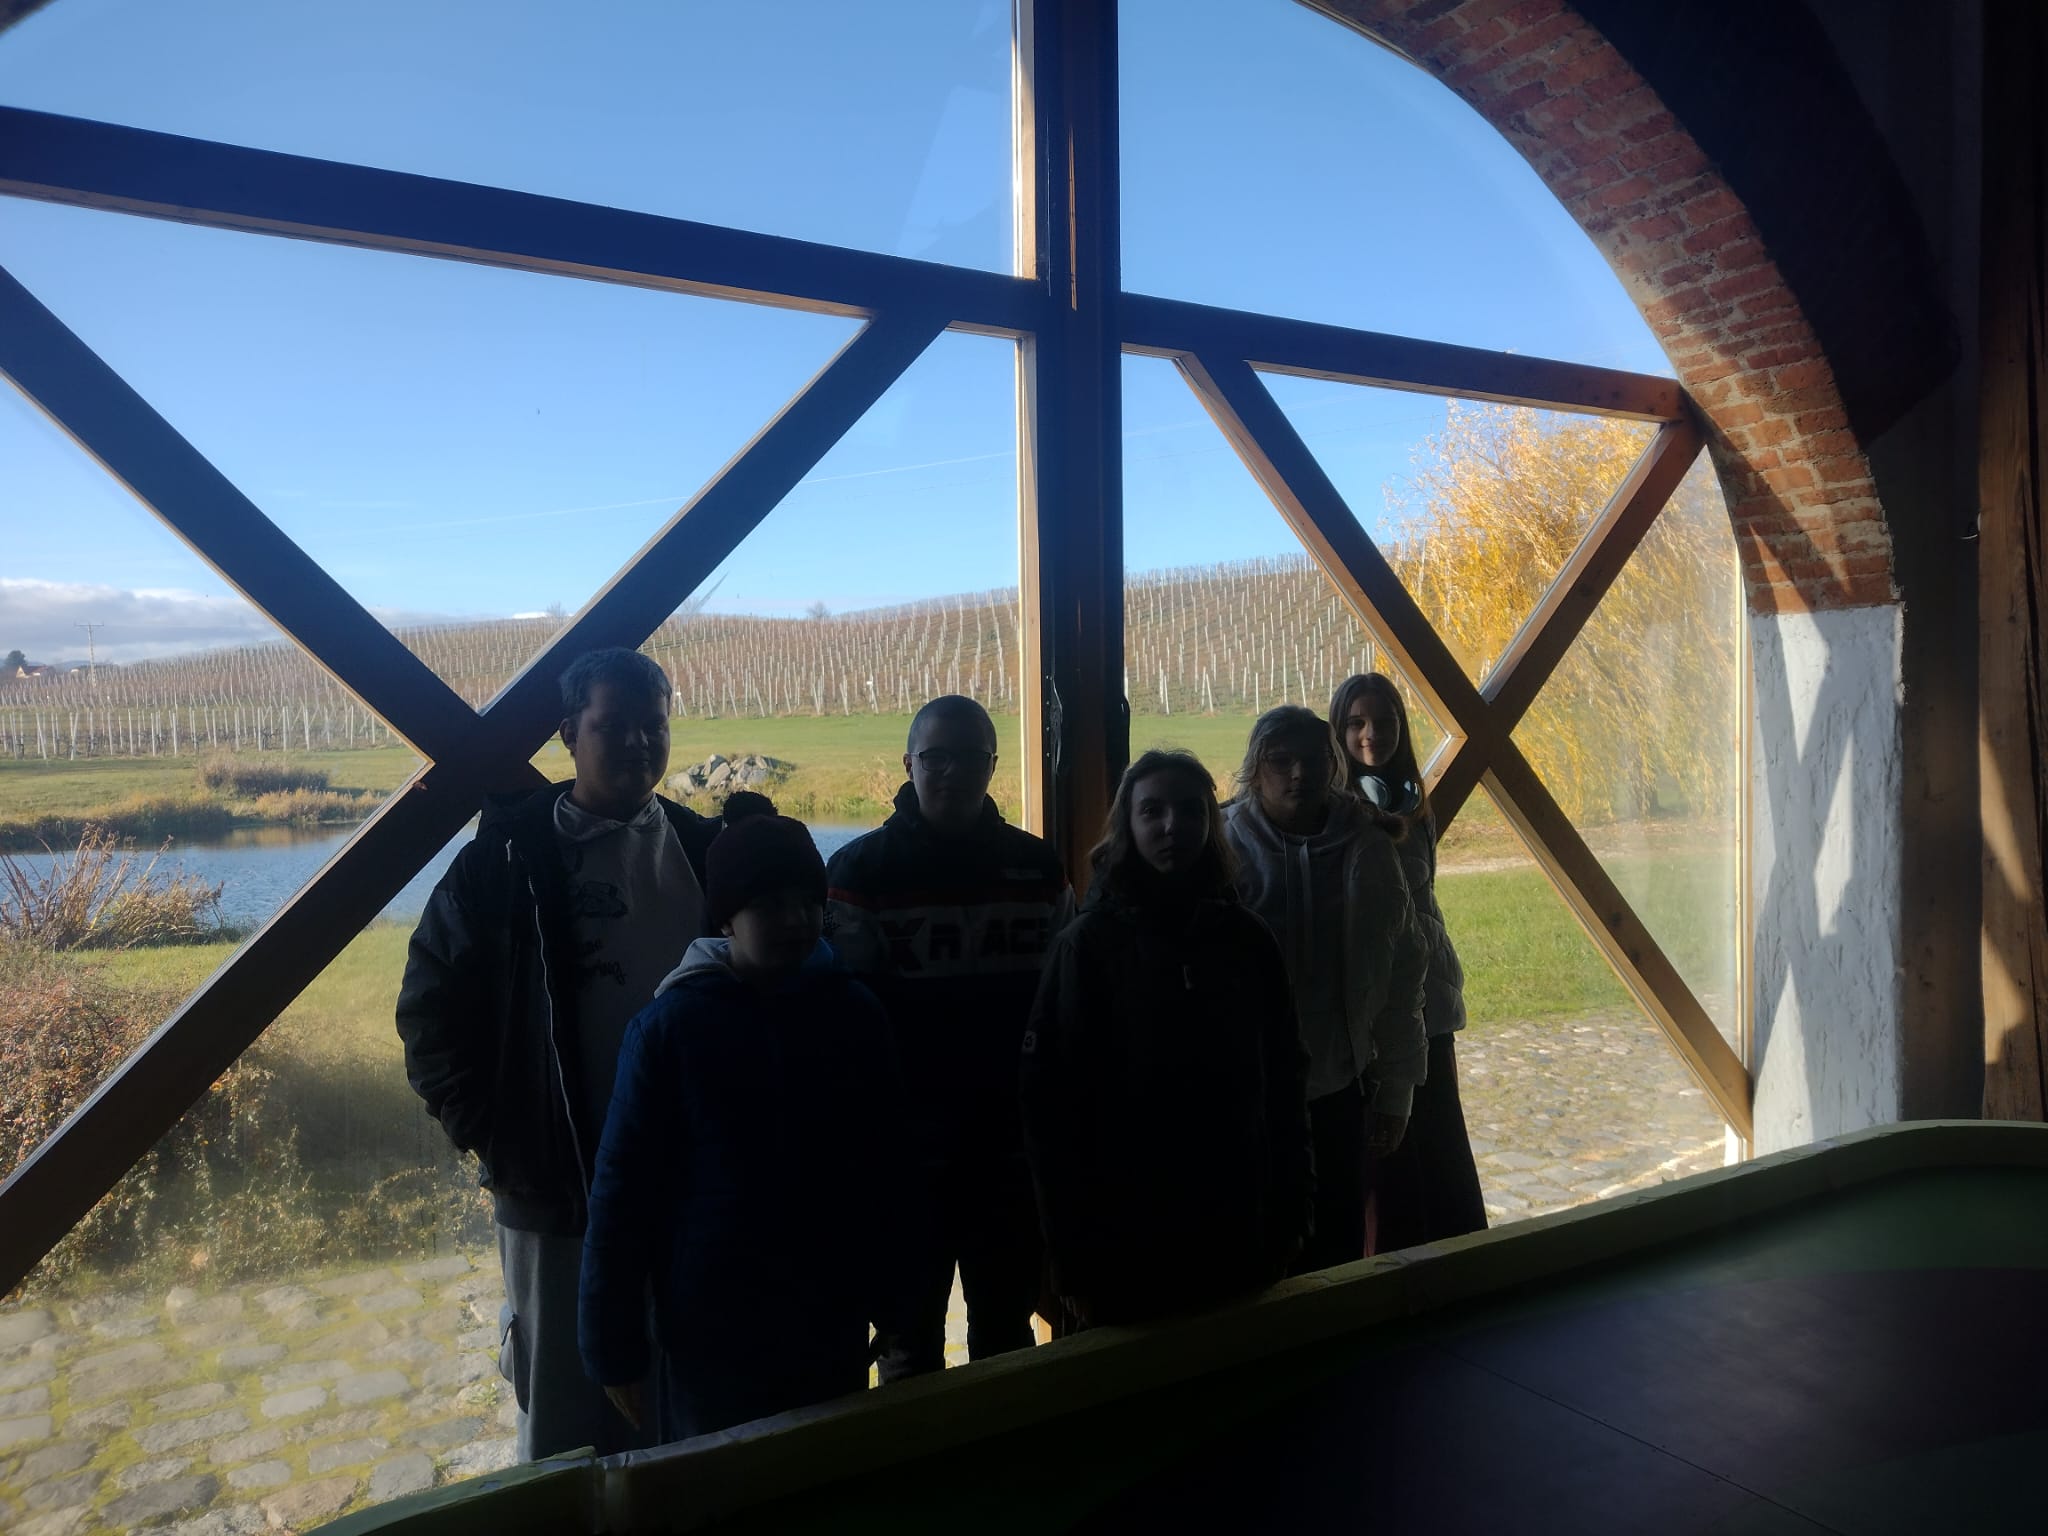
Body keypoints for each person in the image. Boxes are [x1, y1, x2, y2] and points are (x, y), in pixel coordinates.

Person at [396, 647, 719, 1460]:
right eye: (615, 726)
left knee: (685, 1396)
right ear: (570, 733)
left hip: (690, 1186)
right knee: (565, 1416)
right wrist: (500, 1138)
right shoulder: (502, 863)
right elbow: (429, 1012)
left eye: (654, 725)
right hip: (554, 1185)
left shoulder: (705, 849)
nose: (639, 743)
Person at [578, 795, 917, 1441]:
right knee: (718, 1478)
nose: (794, 920)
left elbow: (891, 1167)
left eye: (807, 903)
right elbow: (622, 1195)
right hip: (710, 1331)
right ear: (726, 917)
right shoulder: (669, 1028)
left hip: (829, 1312)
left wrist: (902, 1298)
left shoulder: (854, 1014)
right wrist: (612, 1347)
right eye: (769, 905)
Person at [1022, 751, 1313, 1327]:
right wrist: (1071, 1258)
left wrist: (1293, 1212)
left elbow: (1285, 1081)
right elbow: (1052, 1111)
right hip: (1126, 1240)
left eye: (1189, 810)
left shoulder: (1247, 941)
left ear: (1210, 823)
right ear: (1127, 825)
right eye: (1152, 811)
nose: (1171, 825)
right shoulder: (1087, 948)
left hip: (1238, 1225)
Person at [825, 695, 1070, 1379]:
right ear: (908, 764)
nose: (953, 773)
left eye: (970, 758)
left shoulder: (1040, 870)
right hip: (906, 1157)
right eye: (937, 758)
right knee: (906, 1339)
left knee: (1006, 1332)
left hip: (1008, 1153)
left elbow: (1061, 1008)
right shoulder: (858, 874)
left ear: (993, 766)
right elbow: (845, 1031)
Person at [1221, 705, 1427, 1275]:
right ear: (1254, 768)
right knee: (1253, 1253)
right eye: (1280, 760)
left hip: (1339, 1087)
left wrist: (1397, 1089)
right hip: (1248, 1095)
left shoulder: (1368, 848)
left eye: (1313, 760)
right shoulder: (1222, 847)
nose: (1298, 774)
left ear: (1332, 766)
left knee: (1337, 1249)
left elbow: (1402, 973)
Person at [1331, 673, 1487, 1249]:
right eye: (1357, 722)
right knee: (1388, 1157)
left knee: (1439, 1141)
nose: (1371, 733)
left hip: (1433, 1001)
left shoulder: (1416, 809)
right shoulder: (1338, 818)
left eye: (1384, 720)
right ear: (1339, 733)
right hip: (1382, 1005)